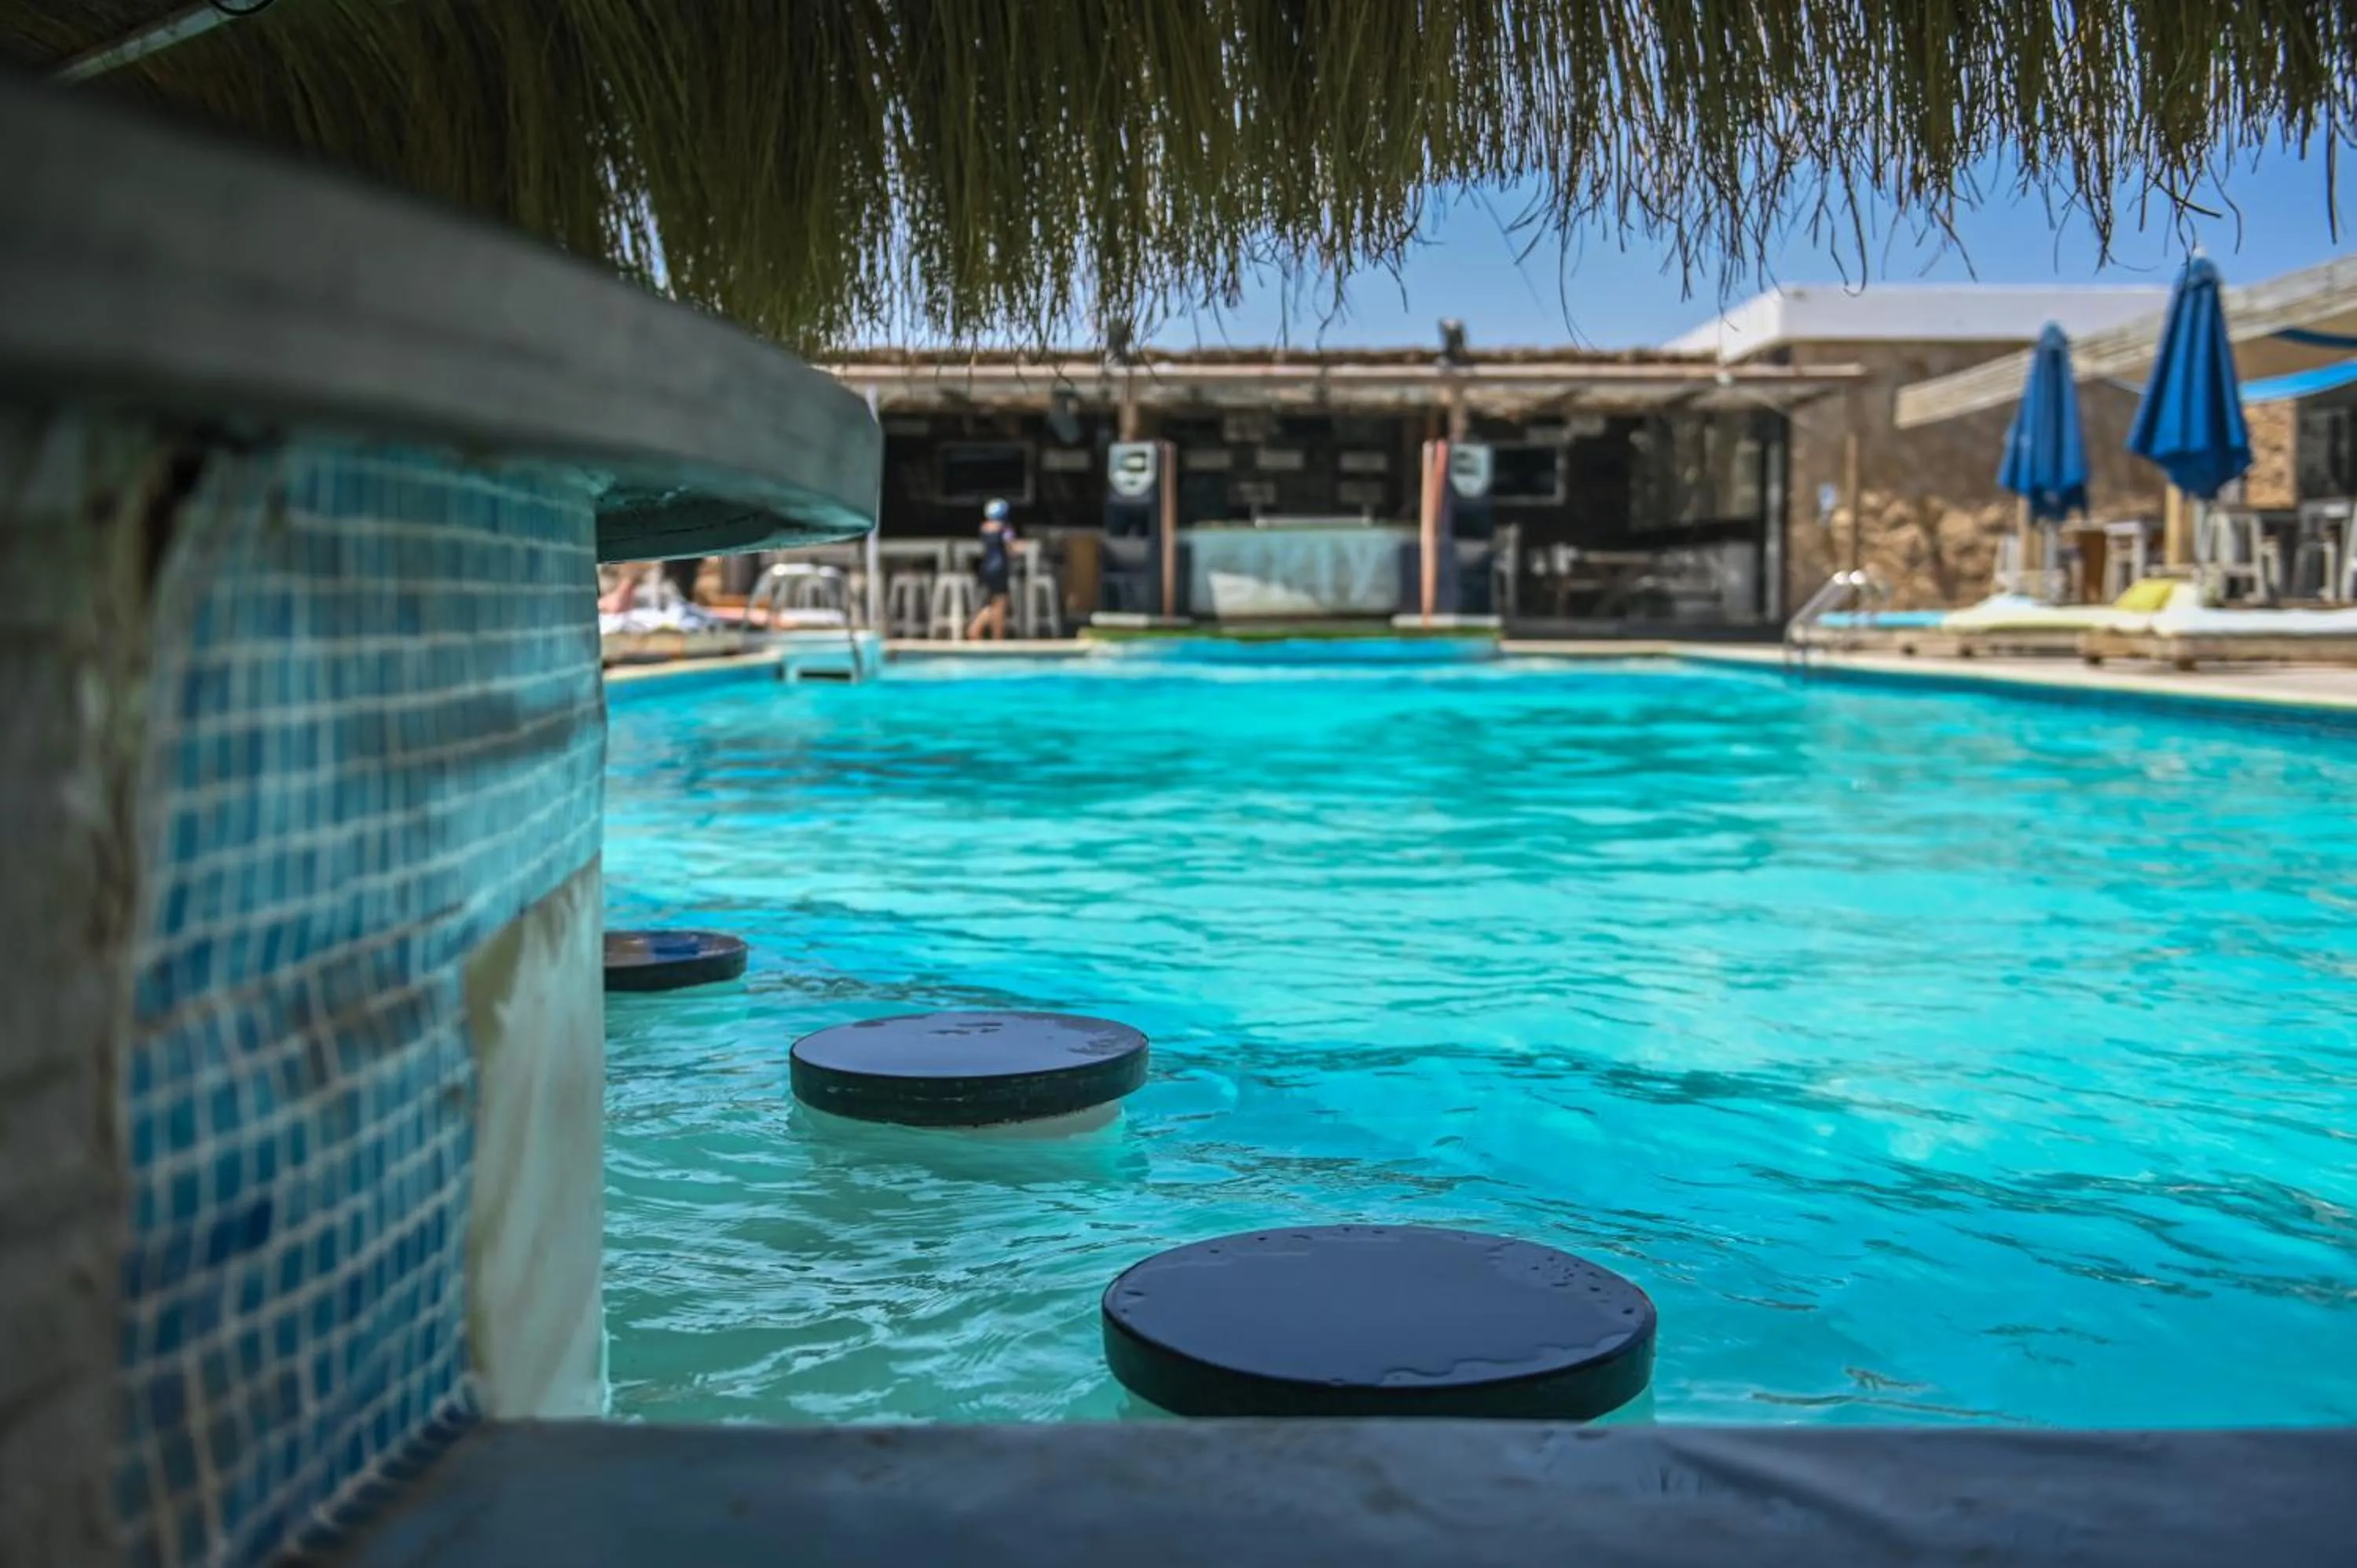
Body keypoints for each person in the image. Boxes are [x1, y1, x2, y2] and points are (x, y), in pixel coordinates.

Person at [964, 498, 1017, 640]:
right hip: (1000, 567)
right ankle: (979, 629)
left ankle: (996, 636)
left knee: (994, 602)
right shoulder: (1005, 528)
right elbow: (1010, 547)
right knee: (999, 604)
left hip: (987, 567)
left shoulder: (984, 528)